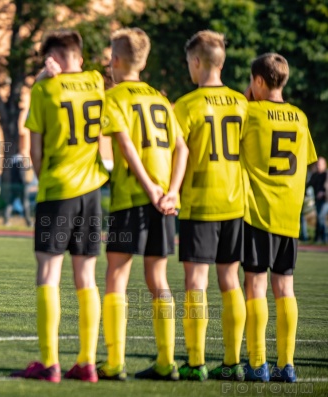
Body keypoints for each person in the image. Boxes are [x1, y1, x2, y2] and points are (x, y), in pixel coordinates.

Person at [11, 29, 109, 383]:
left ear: (50, 59)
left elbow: (33, 148)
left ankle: (50, 363)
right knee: (86, 278)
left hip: (57, 191)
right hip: (93, 191)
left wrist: (44, 178)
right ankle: (86, 362)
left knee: (49, 274)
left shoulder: (44, 89)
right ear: (78, 57)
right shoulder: (96, 81)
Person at [96, 28, 188, 381]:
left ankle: (115, 362)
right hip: (164, 200)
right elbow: (183, 148)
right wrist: (172, 191)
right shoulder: (161, 99)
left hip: (133, 197)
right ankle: (167, 362)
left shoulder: (116, 96)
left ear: (115, 61)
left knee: (116, 276)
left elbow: (124, 145)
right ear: (145, 61)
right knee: (158, 280)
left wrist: (149, 187)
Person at [174, 30, 248, 381]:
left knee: (196, 283)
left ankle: (196, 360)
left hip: (200, 202)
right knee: (231, 280)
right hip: (235, 202)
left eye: (190, 62)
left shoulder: (186, 105)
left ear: (198, 62)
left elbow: (178, 154)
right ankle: (233, 362)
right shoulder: (242, 102)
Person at [241, 53, 317, 382]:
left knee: (255, 286)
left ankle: (258, 363)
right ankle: (287, 365)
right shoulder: (300, 118)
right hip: (289, 212)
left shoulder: (249, 112)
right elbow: (309, 159)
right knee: (285, 288)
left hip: (258, 210)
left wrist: (247, 101)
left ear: (258, 81)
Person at [3, 153, 33, 227]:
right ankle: (28, 222)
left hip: (14, 186)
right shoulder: (19, 165)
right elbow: (22, 176)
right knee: (25, 204)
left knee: (10, 203)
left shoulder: (12, 166)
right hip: (21, 186)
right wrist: (25, 183)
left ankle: (6, 220)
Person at [309, 157, 327, 243]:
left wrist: (323, 193)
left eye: (319, 164)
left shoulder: (326, 175)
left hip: (326, 200)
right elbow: (309, 184)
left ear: (324, 165)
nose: (318, 166)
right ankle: (318, 238)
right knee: (319, 218)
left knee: (320, 217)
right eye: (317, 164)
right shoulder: (315, 175)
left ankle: (323, 238)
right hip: (317, 200)